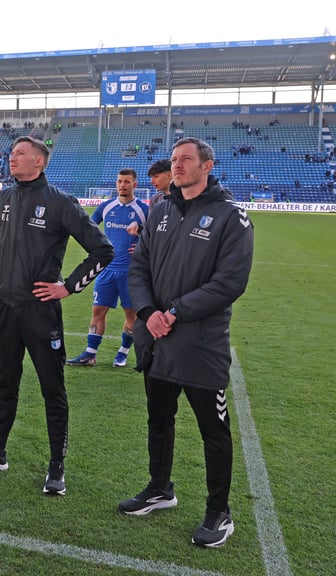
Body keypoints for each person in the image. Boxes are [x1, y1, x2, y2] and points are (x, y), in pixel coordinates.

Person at [119, 137, 253, 548]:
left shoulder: (231, 217)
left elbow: (229, 283)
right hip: (156, 339)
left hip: (199, 344)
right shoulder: (160, 210)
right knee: (159, 420)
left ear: (207, 166)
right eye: (174, 160)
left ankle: (219, 512)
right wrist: (146, 313)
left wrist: (173, 312)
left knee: (213, 430)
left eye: (186, 160)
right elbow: (138, 267)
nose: (177, 166)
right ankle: (160, 488)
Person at [0, 136, 113, 496]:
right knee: (6, 382)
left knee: (53, 389)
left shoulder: (61, 203)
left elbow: (102, 250)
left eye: (19, 154)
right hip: (4, 309)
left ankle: (56, 465)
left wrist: (68, 286)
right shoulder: (0, 199)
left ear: (40, 162)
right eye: (11, 153)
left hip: (40, 312)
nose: (11, 158)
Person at [66, 168, 149, 368]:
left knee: (131, 314)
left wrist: (141, 243)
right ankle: (90, 353)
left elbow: (157, 236)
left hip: (130, 272)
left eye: (127, 182)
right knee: (98, 310)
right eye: (120, 181)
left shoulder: (144, 210)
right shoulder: (106, 207)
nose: (122, 185)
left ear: (135, 185)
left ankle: (123, 353)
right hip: (106, 270)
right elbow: (88, 228)